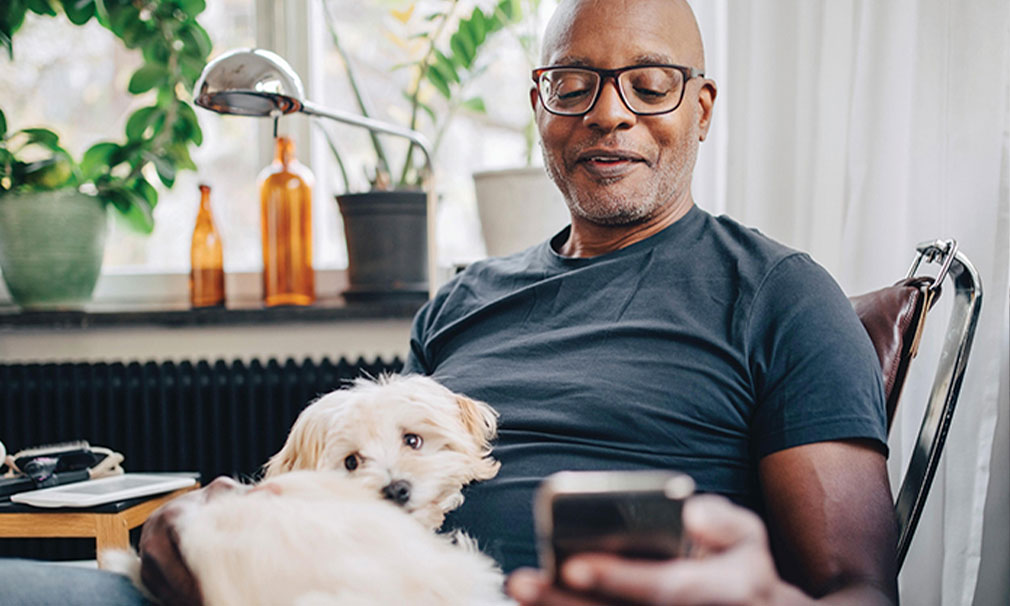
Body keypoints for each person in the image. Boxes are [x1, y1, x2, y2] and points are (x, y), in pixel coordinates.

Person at [0, 1, 897, 604]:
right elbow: (360, 476)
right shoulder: (466, 297)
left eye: (651, 84)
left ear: (703, 108)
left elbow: (858, 589)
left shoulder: (780, 295)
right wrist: (220, 511)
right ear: (540, 106)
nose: (609, 113)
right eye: (573, 84)